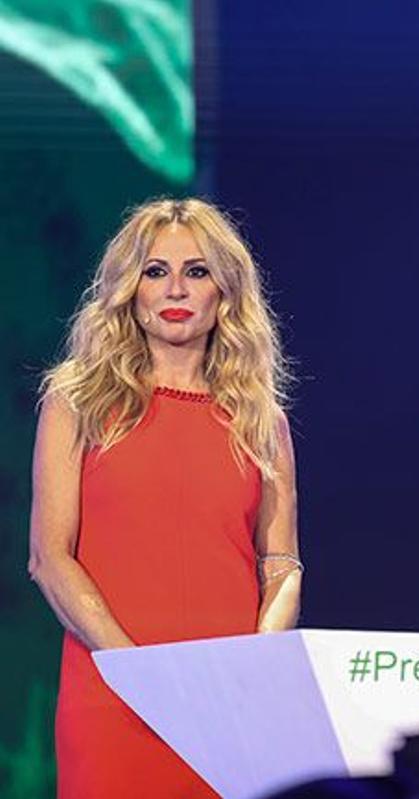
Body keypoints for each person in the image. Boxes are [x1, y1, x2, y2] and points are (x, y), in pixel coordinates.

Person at [28, 199, 302, 798]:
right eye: (155, 271)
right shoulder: (77, 402)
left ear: (225, 292)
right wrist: (136, 671)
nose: (175, 288)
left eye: (197, 271)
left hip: (225, 702)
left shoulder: (262, 419)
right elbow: (50, 558)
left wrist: (256, 663)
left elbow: (281, 564)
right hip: (112, 694)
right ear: (129, 288)